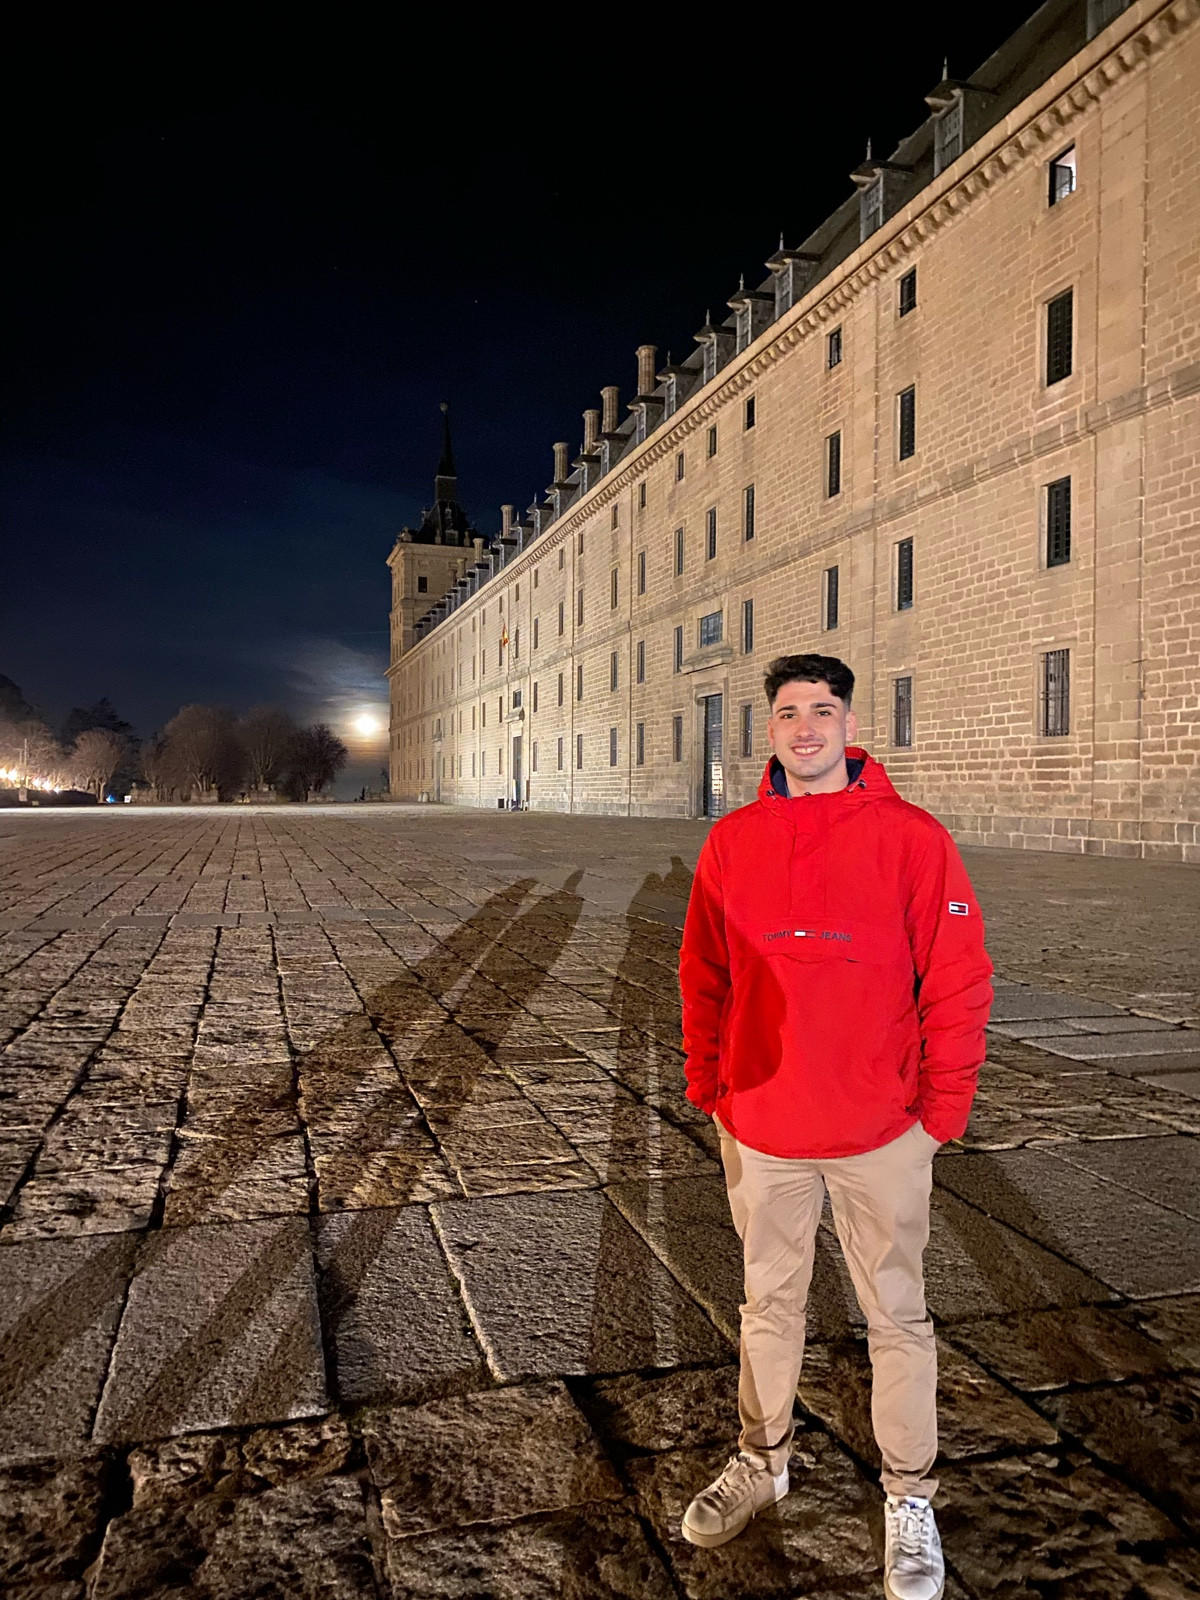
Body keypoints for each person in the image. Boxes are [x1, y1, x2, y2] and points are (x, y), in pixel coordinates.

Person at [678, 653, 992, 1600]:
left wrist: (940, 1112)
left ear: (850, 724)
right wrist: (711, 1085)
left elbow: (957, 978)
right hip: (763, 1125)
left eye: (822, 710)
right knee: (767, 1306)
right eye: (787, 712)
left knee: (897, 1317)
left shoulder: (911, 838)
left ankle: (909, 1495)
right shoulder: (731, 843)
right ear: (769, 730)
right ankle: (762, 1458)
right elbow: (703, 972)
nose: (805, 727)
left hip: (879, 1131)